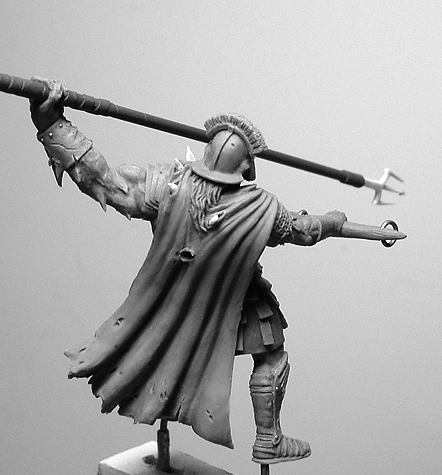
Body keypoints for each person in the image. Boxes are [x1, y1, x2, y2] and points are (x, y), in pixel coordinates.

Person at [30, 78, 347, 465]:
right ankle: (269, 438)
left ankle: (258, 437)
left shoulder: (168, 184)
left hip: (177, 301)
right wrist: (334, 220)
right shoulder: (263, 207)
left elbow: (106, 182)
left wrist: (52, 123)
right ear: (247, 166)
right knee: (271, 357)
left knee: (173, 351)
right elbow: (305, 231)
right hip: (236, 300)